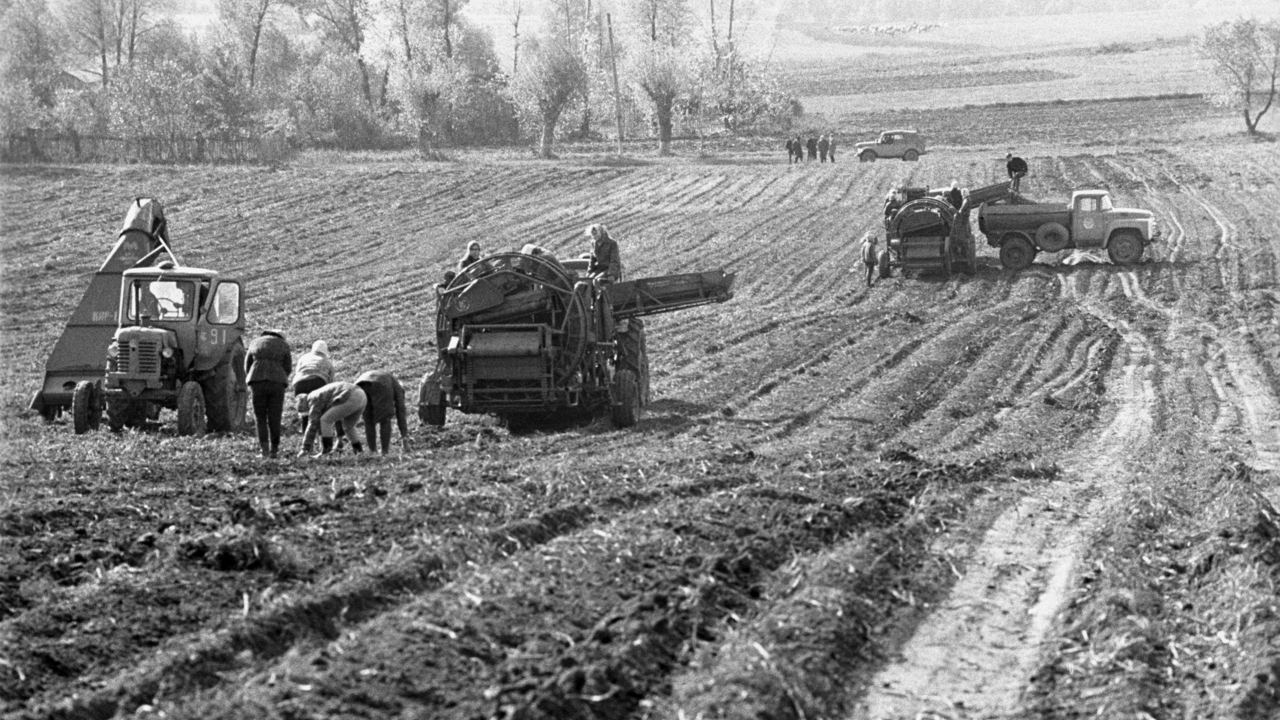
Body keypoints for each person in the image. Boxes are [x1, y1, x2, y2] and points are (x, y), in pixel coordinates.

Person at [245, 329, 292, 458]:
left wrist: (251, 378)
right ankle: (274, 450)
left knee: (260, 417)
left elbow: (247, 364)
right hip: (277, 382)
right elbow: (288, 367)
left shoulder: (254, 342)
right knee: (275, 416)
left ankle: (264, 450)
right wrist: (282, 377)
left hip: (257, 381)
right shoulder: (283, 345)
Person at [299, 381, 367, 457]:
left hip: (350, 394)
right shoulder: (318, 394)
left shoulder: (313, 399)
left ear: (302, 402)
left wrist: (305, 448)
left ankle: (326, 453)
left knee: (325, 420)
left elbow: (313, 424)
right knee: (349, 426)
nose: (308, 412)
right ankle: (359, 452)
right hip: (361, 394)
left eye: (305, 411)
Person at [355, 370, 411, 455]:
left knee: (368, 421)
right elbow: (401, 411)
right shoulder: (398, 388)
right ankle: (385, 452)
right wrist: (405, 438)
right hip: (380, 384)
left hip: (359, 384)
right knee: (385, 419)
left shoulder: (391, 380)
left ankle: (372, 451)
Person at [291, 340, 335, 433]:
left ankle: (306, 440)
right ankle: (320, 436)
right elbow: (331, 380)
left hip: (300, 383)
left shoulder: (303, 357)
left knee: (304, 412)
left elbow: (297, 371)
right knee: (318, 411)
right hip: (318, 382)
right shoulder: (327, 361)